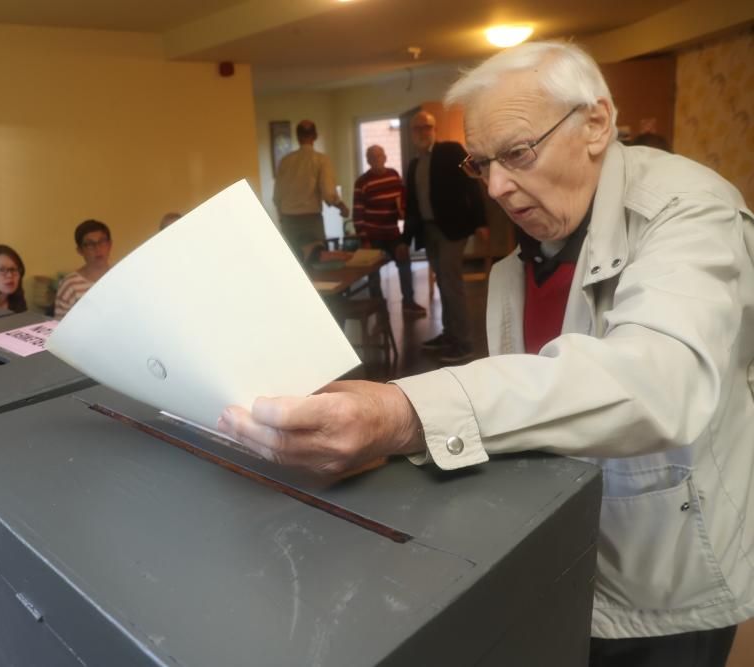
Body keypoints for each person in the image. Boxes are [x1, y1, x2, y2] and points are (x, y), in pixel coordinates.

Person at [218, 41, 754, 667]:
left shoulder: (691, 208)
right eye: (482, 163)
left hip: (665, 572)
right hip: (567, 553)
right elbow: (529, 408)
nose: (497, 186)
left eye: (519, 153)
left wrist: (403, 413)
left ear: (597, 123)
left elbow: (660, 382)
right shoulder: (515, 261)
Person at [404, 110, 487, 361]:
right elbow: (412, 205)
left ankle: (464, 344)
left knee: (451, 284)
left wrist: (481, 221)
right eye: (417, 128)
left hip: (452, 230)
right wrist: (404, 240)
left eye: (426, 127)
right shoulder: (414, 164)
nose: (422, 132)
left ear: (434, 130)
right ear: (411, 133)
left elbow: (473, 182)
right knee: (442, 283)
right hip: (429, 232)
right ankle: (449, 334)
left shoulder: (451, 151)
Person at [352, 145, 424, 316]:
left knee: (405, 263)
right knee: (373, 274)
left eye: (379, 156)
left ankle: (408, 302)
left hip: (392, 233)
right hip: (372, 236)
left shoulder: (393, 175)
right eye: (372, 157)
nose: (376, 159)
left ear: (385, 157)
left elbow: (403, 201)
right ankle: (378, 306)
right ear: (368, 160)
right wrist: (364, 241)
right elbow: (357, 213)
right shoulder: (362, 182)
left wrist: (402, 211)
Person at [273, 120, 349, 255]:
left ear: (297, 136)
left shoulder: (285, 161)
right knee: (316, 262)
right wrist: (342, 206)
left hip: (288, 221)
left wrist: (282, 218)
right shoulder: (321, 160)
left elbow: (277, 196)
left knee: (294, 264)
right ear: (315, 136)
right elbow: (328, 192)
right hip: (311, 220)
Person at [54, 219, 112, 319]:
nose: (97, 249)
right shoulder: (70, 285)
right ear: (80, 251)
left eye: (102, 242)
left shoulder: (121, 276)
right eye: (90, 244)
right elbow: (59, 326)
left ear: (110, 244)